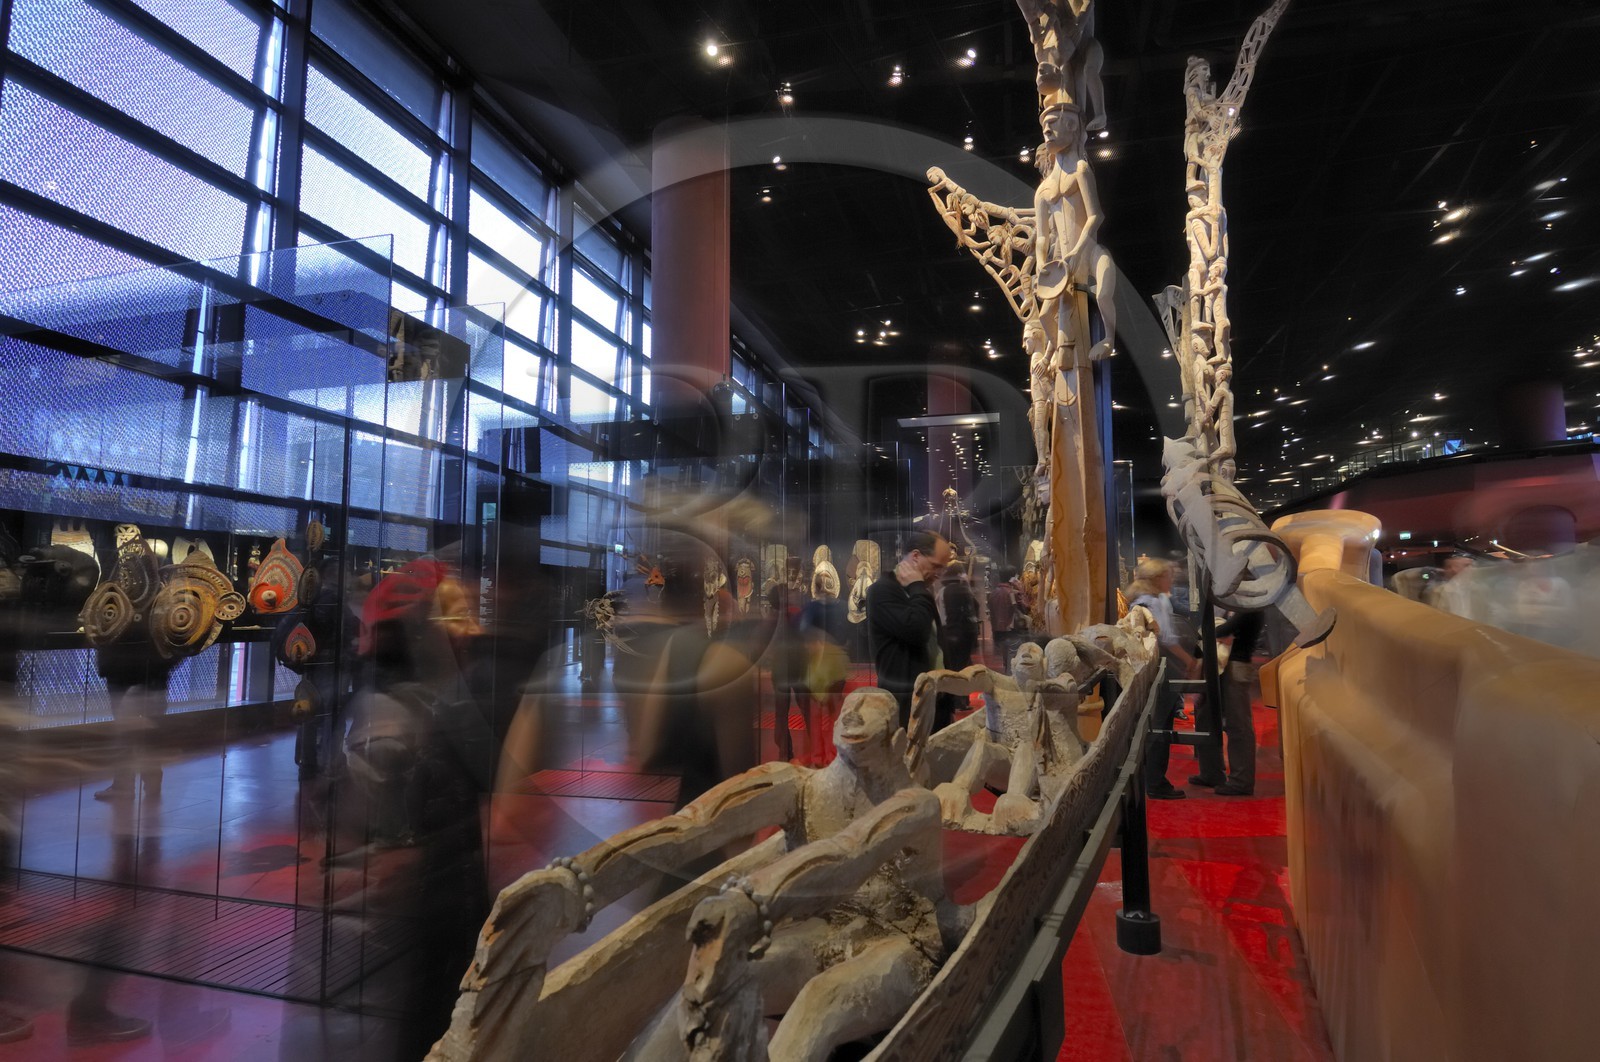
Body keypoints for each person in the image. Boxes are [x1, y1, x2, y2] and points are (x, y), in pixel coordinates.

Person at [1126, 557, 1197, 800]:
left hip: (1159, 667)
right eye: (1167, 575)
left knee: (1160, 724)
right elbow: (1165, 637)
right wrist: (1188, 661)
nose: (1172, 579)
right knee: (1158, 725)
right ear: (1157, 579)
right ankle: (1155, 782)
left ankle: (1155, 779)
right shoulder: (1151, 602)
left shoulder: (1150, 601)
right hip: (1161, 668)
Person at [866, 530, 952, 728]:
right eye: (936, 566)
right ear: (915, 556)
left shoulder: (919, 591)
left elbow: (937, 643)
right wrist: (917, 586)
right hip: (906, 702)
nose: (939, 574)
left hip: (931, 698)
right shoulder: (883, 590)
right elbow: (917, 631)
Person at [1189, 608, 1264, 796]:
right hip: (1229, 665)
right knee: (1207, 717)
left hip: (1237, 667)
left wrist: (1208, 634)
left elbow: (1224, 629)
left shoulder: (1251, 607)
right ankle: (1211, 773)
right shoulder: (1242, 604)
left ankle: (1241, 781)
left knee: (1238, 725)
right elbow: (1223, 631)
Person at [800, 566, 851, 765]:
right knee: (834, 711)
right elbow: (848, 631)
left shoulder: (811, 608)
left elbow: (804, 631)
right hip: (837, 661)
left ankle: (817, 755)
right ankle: (833, 753)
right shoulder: (842, 606)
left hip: (818, 662)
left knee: (815, 713)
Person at [987, 567, 1024, 672]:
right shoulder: (1013, 593)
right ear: (1012, 578)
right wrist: (1021, 589)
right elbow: (1026, 607)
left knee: (1005, 658)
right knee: (1012, 659)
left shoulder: (993, 593)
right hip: (1011, 631)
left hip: (997, 631)